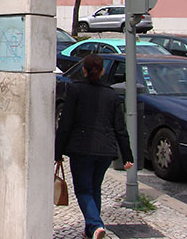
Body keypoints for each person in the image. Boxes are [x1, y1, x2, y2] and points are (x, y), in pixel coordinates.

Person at [55, 54, 133, 239]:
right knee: (94, 188)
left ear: (83, 69)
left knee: (83, 190)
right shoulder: (111, 94)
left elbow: (65, 123)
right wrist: (127, 156)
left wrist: (57, 152)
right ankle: (91, 231)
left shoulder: (75, 90)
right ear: (102, 70)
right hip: (105, 150)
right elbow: (120, 128)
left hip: (81, 148)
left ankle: (96, 225)